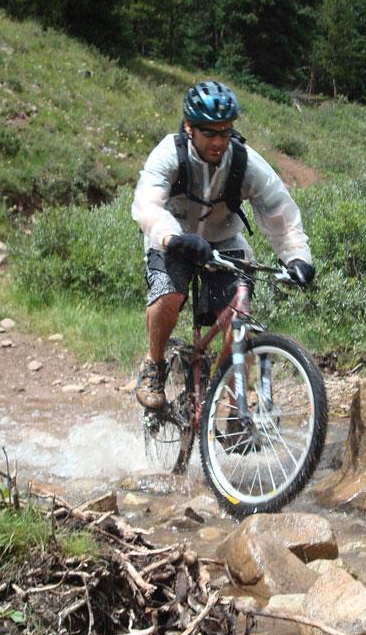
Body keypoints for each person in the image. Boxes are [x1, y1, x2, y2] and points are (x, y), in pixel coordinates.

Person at [131, 80, 315, 410]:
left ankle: (232, 403)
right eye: (209, 133)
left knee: (237, 315)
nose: (218, 141)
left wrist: (298, 258)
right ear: (190, 127)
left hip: (224, 239)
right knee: (169, 294)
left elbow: (280, 212)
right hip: (172, 236)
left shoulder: (245, 163)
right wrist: (173, 237)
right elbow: (147, 204)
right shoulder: (169, 154)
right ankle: (154, 365)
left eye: (225, 132)